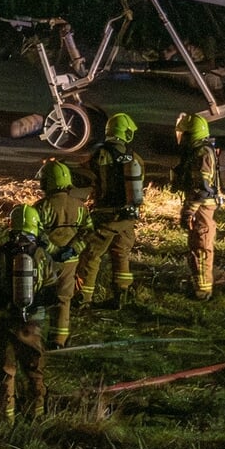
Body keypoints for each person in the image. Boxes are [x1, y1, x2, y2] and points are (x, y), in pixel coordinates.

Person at [0, 203, 54, 421]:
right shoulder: (42, 255)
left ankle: (6, 418)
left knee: (6, 371)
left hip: (5, 321)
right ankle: (37, 416)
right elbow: (52, 292)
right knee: (35, 372)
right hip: (33, 324)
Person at [76, 112, 144, 309]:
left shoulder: (99, 155)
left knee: (91, 253)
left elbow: (87, 178)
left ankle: (83, 298)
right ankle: (120, 296)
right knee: (120, 252)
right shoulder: (134, 158)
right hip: (127, 217)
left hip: (107, 215)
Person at [33, 158, 91, 347]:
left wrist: (53, 250)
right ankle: (59, 340)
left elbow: (36, 234)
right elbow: (89, 232)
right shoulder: (81, 206)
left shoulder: (42, 207)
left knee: (38, 296)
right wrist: (74, 249)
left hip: (45, 261)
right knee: (63, 300)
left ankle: (34, 337)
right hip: (70, 261)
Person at [170, 112, 219, 300]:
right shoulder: (199, 151)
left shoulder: (202, 153)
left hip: (202, 207)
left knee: (202, 247)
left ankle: (203, 292)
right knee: (195, 246)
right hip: (199, 206)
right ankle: (197, 285)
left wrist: (188, 210)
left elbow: (202, 189)